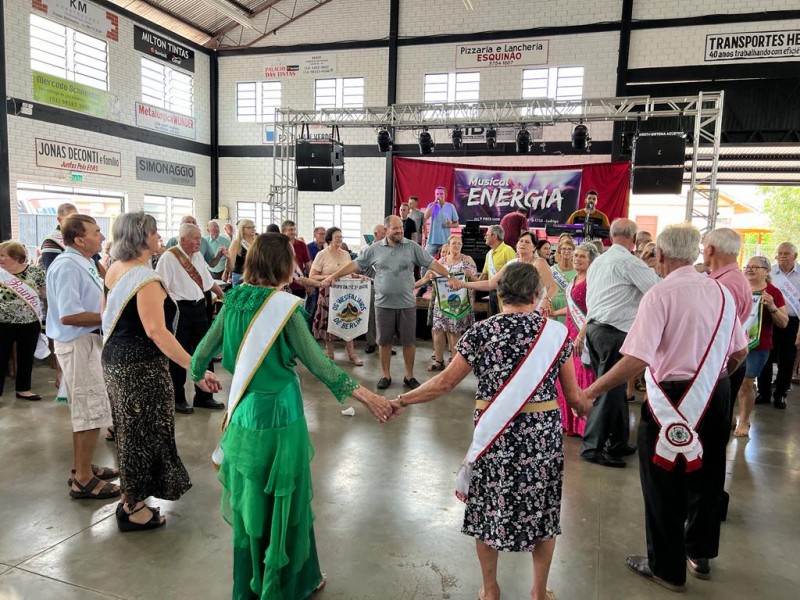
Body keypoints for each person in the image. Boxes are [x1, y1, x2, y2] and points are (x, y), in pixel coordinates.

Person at [189, 232, 394, 599]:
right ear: (282, 265)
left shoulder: (232, 300)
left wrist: (200, 376)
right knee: (287, 501)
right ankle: (292, 582)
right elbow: (319, 365)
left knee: (252, 502)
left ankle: (251, 583)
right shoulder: (286, 308)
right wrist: (366, 398)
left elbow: (201, 354)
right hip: (282, 416)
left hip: (244, 415)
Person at [389, 262, 590, 600]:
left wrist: (403, 400)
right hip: (541, 440)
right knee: (543, 513)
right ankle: (539, 592)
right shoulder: (556, 334)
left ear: (500, 294)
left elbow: (444, 383)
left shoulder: (481, 332)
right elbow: (575, 399)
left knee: (487, 510)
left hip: (495, 439)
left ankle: (491, 589)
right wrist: (590, 405)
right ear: (536, 294)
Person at [584, 224, 748, 592]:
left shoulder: (659, 295)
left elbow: (636, 358)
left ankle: (666, 567)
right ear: (693, 254)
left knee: (662, 481)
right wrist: (716, 379)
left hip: (670, 399)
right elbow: (739, 351)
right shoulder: (722, 293)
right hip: (714, 393)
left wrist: (591, 391)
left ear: (659, 255)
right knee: (708, 474)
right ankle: (699, 553)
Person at [102, 212, 220, 531]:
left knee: (130, 431)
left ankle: (132, 497)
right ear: (141, 238)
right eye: (154, 233)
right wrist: (193, 368)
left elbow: (108, 315)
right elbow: (157, 331)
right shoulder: (145, 278)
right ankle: (134, 506)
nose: (158, 237)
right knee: (143, 434)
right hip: (139, 366)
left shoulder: (115, 268)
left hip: (117, 359)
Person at [321, 216, 459, 390]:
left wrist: (449, 276)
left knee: (409, 342)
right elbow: (355, 265)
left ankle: (409, 376)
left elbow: (432, 263)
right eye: (396, 229)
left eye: (401, 228)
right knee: (384, 342)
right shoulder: (375, 249)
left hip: (407, 304)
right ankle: (385, 375)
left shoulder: (412, 247)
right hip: (383, 304)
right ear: (386, 230)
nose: (400, 231)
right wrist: (333, 276)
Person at [46, 214, 119, 500]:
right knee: (89, 411)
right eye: (97, 231)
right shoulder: (66, 267)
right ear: (79, 239)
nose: (102, 236)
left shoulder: (85, 262)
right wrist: (109, 316)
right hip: (78, 344)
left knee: (90, 410)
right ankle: (84, 481)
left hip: (89, 342)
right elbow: (69, 314)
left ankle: (82, 467)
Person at [582, 218, 660, 468]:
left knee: (614, 390)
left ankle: (617, 442)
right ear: (635, 239)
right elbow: (657, 290)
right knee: (607, 390)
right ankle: (592, 447)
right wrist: (652, 268)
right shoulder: (629, 262)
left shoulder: (600, 260)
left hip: (596, 329)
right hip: (614, 331)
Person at [156, 223, 226, 414]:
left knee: (205, 351)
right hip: (180, 310)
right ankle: (177, 398)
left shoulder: (198, 256)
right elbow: (161, 288)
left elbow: (208, 282)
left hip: (199, 308)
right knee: (180, 354)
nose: (199, 241)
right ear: (183, 240)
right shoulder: (169, 258)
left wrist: (225, 298)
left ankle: (204, 396)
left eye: (199, 237)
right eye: (195, 238)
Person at [735, 256, 787, 437]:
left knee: (746, 385)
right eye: (747, 266)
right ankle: (727, 417)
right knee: (728, 384)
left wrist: (772, 306)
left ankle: (744, 420)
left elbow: (783, 322)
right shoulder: (738, 289)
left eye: (755, 267)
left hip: (758, 345)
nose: (749, 269)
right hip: (733, 344)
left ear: (766, 271)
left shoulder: (774, 292)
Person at [552, 242, 599, 436]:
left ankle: (583, 424)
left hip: (583, 333)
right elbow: (571, 309)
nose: (577, 258)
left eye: (582, 256)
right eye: (576, 255)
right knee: (568, 373)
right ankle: (568, 422)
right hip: (569, 330)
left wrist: (581, 336)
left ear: (591, 260)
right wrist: (553, 312)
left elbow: (593, 311)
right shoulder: (574, 279)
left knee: (582, 374)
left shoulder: (592, 281)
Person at [461, 233, 558, 316]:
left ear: (534, 247)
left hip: (536, 311)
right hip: (514, 311)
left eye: (527, 242)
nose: (523, 244)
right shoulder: (512, 264)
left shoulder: (539, 263)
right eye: (521, 241)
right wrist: (463, 284)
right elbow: (491, 284)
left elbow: (553, 287)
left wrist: (546, 300)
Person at [420, 235, 478, 371]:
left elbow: (476, 281)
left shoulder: (467, 260)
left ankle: (454, 364)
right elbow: (426, 278)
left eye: (459, 243)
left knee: (454, 332)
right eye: (454, 243)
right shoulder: (441, 261)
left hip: (459, 303)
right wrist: (431, 277)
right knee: (438, 330)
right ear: (448, 245)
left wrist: (470, 275)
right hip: (441, 302)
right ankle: (438, 361)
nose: (456, 246)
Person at [309, 227, 365, 366]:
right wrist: (327, 277)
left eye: (341, 237)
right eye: (337, 237)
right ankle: (330, 354)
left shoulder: (346, 254)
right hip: (328, 294)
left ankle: (352, 355)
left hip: (345, 294)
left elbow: (349, 273)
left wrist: (358, 276)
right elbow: (312, 276)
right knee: (330, 324)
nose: (340, 239)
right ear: (329, 239)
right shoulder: (322, 254)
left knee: (347, 321)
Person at [0, 241, 47, 400]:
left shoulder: (36, 272)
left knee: (26, 356)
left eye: (2, 255)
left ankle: (23, 389)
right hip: (2, 323)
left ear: (15, 257)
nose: (0, 258)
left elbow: (45, 294)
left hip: (30, 322)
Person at [757, 242, 800, 409]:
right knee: (765, 357)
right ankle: (764, 392)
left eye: (786, 253)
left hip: (791, 322)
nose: (782, 256)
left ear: (794, 256)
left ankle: (781, 393)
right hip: (768, 321)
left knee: (787, 359)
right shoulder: (769, 273)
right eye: (779, 253)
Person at [362, 225, 388, 355]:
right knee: (372, 315)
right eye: (384, 232)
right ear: (376, 234)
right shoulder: (366, 249)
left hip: (387, 287)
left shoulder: (390, 248)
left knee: (386, 316)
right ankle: (371, 342)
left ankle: (386, 344)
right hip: (371, 286)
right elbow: (360, 268)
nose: (386, 234)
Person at [479, 225, 516, 316]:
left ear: (494, 236)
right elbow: (484, 275)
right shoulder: (489, 254)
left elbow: (514, 272)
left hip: (506, 292)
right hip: (492, 292)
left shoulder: (508, 250)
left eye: (487, 235)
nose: (485, 237)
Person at [39, 202, 77, 271]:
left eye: (77, 218)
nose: (75, 222)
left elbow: (95, 262)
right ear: (59, 219)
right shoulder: (51, 242)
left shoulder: (79, 236)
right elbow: (51, 271)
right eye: (70, 218)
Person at [424, 186, 459, 257]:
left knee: (446, 263)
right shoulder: (432, 205)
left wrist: (450, 225)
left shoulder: (450, 206)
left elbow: (457, 223)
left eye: (441, 194)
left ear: (445, 195)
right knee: (425, 262)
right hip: (432, 241)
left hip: (445, 241)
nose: (439, 196)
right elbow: (425, 217)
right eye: (437, 194)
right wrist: (434, 203)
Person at [282, 220, 312, 299]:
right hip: (282, 285)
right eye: (290, 230)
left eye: (294, 229)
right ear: (283, 231)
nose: (293, 232)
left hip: (299, 285)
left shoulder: (302, 245)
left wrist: (309, 282)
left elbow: (308, 264)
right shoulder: (278, 245)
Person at [550, 236, 577, 325]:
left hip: (569, 307)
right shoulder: (551, 270)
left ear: (573, 252)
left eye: (570, 249)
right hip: (553, 305)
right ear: (559, 252)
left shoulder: (578, 271)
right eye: (564, 249)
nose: (567, 251)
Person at [226, 219, 257, 287]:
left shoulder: (257, 241)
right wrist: (226, 271)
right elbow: (231, 265)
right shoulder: (236, 242)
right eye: (249, 227)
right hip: (240, 276)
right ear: (242, 229)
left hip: (256, 276)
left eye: (254, 227)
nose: (253, 229)